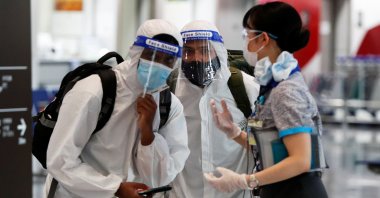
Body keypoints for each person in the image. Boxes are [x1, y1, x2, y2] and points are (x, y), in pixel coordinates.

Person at [44, 19, 190, 198]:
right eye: (152, 55)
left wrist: (148, 134)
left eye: (168, 59)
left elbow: (161, 177)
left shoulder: (169, 105)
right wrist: (115, 188)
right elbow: (60, 162)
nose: (159, 64)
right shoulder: (94, 90)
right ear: (137, 52)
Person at [204, 2, 328, 198]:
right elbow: (274, 147)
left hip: (296, 191)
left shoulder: (286, 91)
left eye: (247, 35)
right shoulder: (273, 85)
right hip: (281, 189)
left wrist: (245, 180)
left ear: (263, 38)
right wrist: (234, 132)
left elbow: (301, 160)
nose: (245, 43)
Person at [169, 20, 260, 198]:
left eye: (204, 51)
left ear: (217, 51)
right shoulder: (171, 91)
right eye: (188, 51)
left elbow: (261, 143)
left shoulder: (247, 89)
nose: (196, 58)